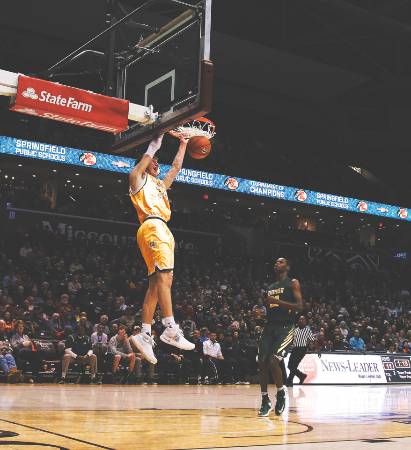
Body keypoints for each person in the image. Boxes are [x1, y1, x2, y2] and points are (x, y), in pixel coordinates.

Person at [128, 133, 194, 364]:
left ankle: (145, 334)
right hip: (152, 226)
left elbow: (175, 167)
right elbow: (139, 167)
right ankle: (170, 328)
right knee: (165, 279)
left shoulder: (160, 185)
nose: (157, 163)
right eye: (153, 161)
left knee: (156, 285)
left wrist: (184, 143)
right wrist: (154, 145)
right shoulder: (138, 179)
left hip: (161, 228)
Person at [258, 258, 303, 417]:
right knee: (261, 361)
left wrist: (277, 301)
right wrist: (261, 315)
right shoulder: (270, 287)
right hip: (270, 326)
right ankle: (265, 400)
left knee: (273, 360)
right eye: (276, 262)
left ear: (287, 267)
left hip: (286, 327)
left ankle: (281, 393)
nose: (277, 263)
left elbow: (299, 306)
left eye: (281, 262)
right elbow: (272, 309)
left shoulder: (293, 283)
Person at [286, 316, 314, 386]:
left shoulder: (307, 330)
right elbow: (291, 340)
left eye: (303, 319)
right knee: (289, 366)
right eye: (300, 319)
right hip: (294, 349)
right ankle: (301, 376)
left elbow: (312, 339)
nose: (301, 320)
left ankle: (290, 381)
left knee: (294, 365)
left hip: (302, 349)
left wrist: (316, 349)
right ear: (298, 321)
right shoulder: (295, 330)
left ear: (305, 321)